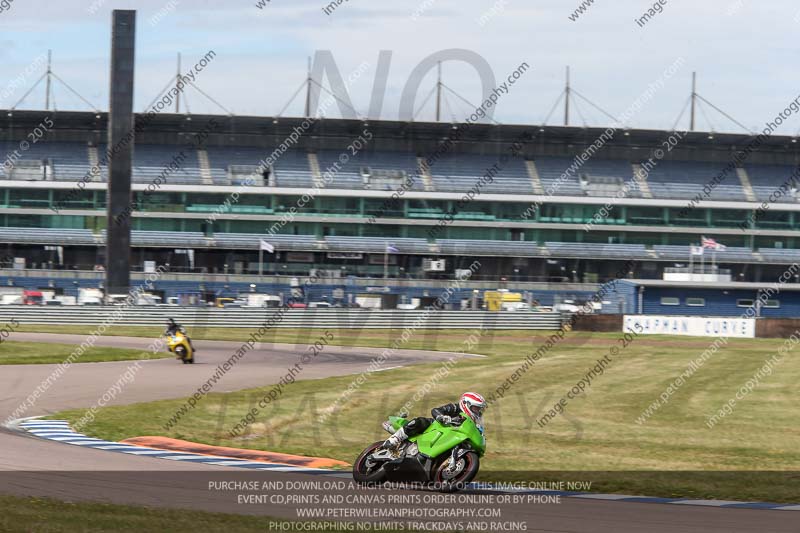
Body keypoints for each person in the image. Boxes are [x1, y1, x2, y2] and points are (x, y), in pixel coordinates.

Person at [382, 392, 487, 449]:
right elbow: (436, 410)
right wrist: (441, 417)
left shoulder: (473, 421)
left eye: (479, 409)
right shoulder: (455, 408)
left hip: (451, 436)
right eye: (476, 408)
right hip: (436, 427)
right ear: (466, 404)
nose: (477, 411)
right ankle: (394, 439)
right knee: (419, 421)